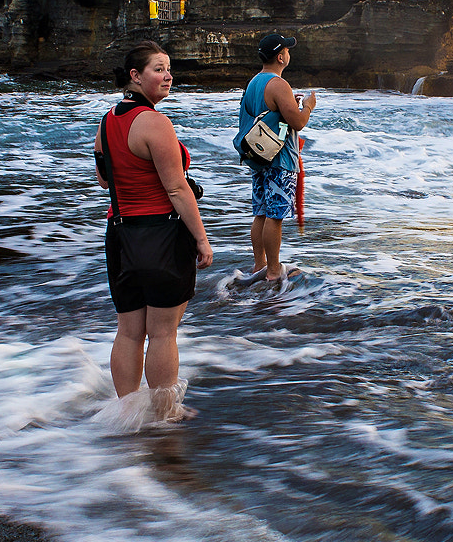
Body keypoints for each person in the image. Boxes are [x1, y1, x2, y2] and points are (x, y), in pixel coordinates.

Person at [95, 41, 212, 420]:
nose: (167, 76)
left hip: (121, 235)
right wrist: (201, 238)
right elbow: (177, 188)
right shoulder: (155, 122)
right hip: (161, 234)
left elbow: (102, 180)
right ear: (135, 76)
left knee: (129, 331)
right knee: (163, 332)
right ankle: (164, 415)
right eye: (158, 69)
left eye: (168, 68)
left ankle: (128, 413)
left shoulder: (107, 120)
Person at [233, 31, 316, 284]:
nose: (289, 54)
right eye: (287, 51)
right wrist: (308, 106)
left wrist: (291, 102)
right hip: (280, 159)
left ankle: (260, 264)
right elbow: (298, 122)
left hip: (259, 158)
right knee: (275, 216)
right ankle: (272, 270)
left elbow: (266, 112)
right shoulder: (279, 84)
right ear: (281, 57)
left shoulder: (254, 82)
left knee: (260, 212)